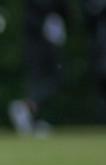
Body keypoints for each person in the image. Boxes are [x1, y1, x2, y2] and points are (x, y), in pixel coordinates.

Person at [8, 0, 70, 136]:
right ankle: (28, 108)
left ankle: (32, 115)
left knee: (41, 79)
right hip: (41, 37)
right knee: (51, 79)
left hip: (37, 37)